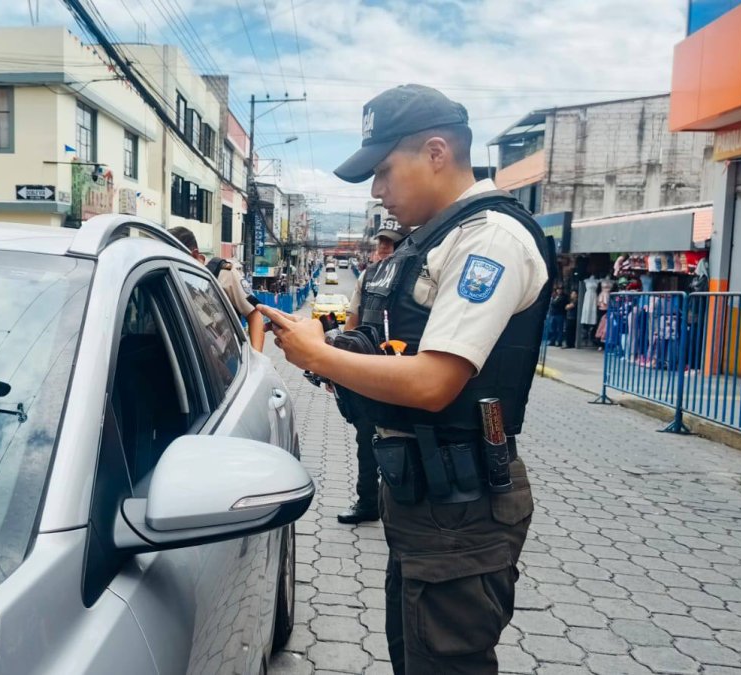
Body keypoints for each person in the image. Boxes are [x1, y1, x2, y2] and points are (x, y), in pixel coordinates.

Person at [260, 84, 551, 675]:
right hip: (428, 499)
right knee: (413, 656)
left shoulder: (488, 238)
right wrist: (325, 342)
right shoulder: (440, 239)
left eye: (385, 170)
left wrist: (315, 357)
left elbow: (431, 384)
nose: (377, 191)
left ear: (437, 152)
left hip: (462, 508)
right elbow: (398, 355)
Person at [338, 218, 409, 525]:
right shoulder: (368, 277)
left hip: (403, 373)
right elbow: (351, 322)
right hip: (368, 372)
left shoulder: (414, 276)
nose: (383, 248)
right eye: (380, 243)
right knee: (366, 441)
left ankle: (401, 506)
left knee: (401, 442)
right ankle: (368, 501)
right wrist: (339, 366)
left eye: (389, 243)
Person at [168, 226, 265, 352]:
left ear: (195, 255)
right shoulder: (171, 279)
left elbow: (254, 314)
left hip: (229, 357)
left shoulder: (223, 273)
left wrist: (256, 361)